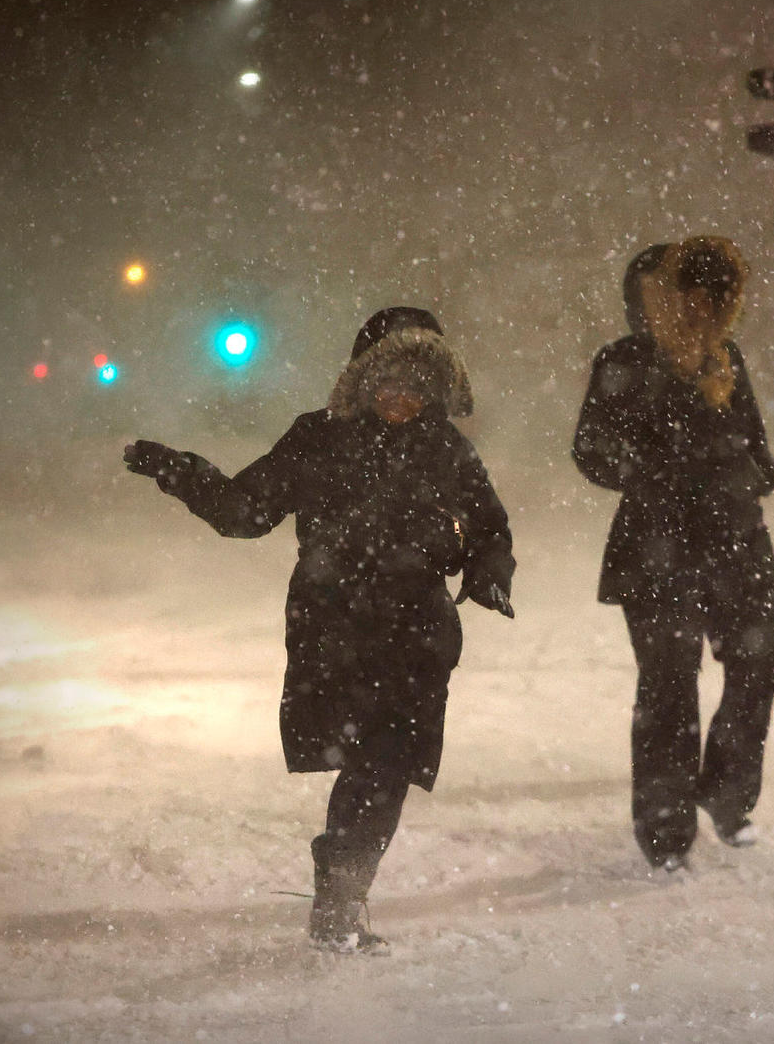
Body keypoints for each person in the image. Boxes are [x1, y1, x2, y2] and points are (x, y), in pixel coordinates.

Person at [124, 306, 515, 953]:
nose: (401, 399)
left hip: (417, 632)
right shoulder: (320, 437)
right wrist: (177, 468)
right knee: (368, 762)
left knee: (385, 770)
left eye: (417, 387)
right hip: (333, 626)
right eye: (388, 382)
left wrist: (488, 572)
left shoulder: (447, 449)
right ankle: (340, 892)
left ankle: (341, 894)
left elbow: (490, 529)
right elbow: (244, 511)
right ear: (361, 379)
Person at [571, 237, 774, 874]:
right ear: (652, 299)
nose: (697, 306)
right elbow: (591, 450)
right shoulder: (624, 361)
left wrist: (748, 474)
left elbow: (758, 452)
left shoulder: (727, 359)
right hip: (657, 549)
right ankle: (666, 834)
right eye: (681, 293)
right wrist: (660, 473)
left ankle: (725, 793)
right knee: (668, 687)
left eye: (708, 295)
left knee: (760, 660)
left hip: (736, 544)